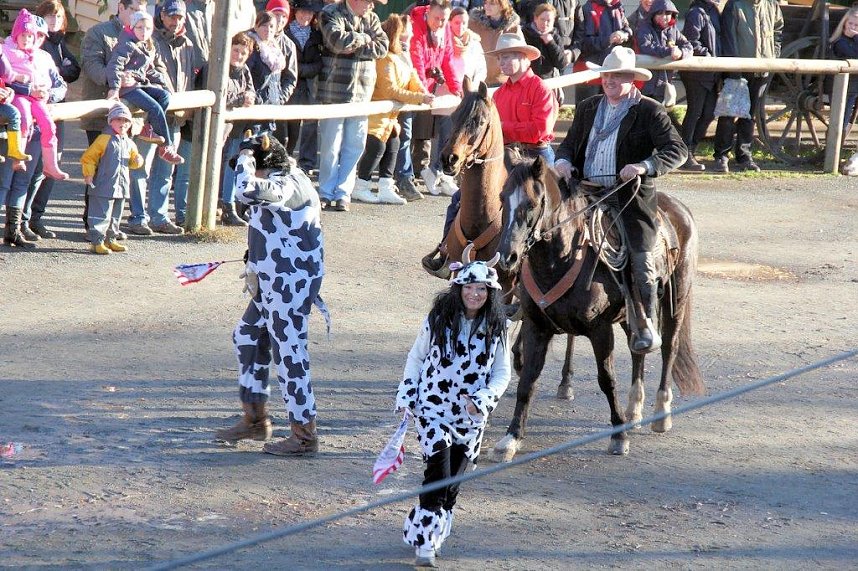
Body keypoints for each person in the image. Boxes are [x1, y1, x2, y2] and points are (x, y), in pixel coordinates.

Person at [553, 46, 686, 354]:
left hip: (627, 198)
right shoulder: (588, 107)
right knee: (541, 230)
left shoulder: (650, 110)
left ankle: (646, 321)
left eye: (617, 76)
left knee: (641, 254)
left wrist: (644, 166)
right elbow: (569, 145)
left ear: (633, 80)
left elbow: (677, 151)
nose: (610, 80)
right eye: (607, 75)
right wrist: (562, 161)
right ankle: (527, 301)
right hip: (584, 192)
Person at [215, 132, 327, 456]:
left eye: (253, 166)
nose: (250, 171)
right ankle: (254, 419)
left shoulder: (286, 184)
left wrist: (247, 156)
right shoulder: (282, 176)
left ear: (264, 166)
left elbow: (245, 189)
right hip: (275, 279)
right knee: (247, 336)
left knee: (290, 354)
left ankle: (304, 436)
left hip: (290, 282)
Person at [396, 256, 511, 568]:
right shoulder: (438, 319)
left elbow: (502, 374)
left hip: (472, 419)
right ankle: (426, 544)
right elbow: (416, 357)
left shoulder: (497, 328)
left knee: (452, 486)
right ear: (458, 288)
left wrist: (483, 400)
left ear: (491, 293)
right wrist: (407, 394)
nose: (475, 294)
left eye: (482, 289)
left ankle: (419, 529)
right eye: (469, 288)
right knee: (438, 474)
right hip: (433, 408)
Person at [80, 0, 148, 236]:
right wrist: (117, 80)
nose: (138, 15)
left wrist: (137, 79)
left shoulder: (144, 34)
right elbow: (92, 66)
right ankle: (93, 225)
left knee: (120, 172)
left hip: (129, 115)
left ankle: (112, 227)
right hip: (101, 114)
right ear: (120, 7)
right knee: (98, 173)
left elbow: (152, 68)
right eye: (133, 9)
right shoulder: (98, 33)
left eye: (141, 10)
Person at [316, 0, 389, 212]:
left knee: (354, 146)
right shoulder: (331, 12)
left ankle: (343, 193)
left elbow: (383, 47)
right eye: (369, 2)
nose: (372, 7)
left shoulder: (372, 19)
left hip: (362, 95)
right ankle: (325, 192)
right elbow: (337, 41)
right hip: (334, 93)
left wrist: (354, 44)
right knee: (330, 147)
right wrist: (365, 39)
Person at [354, 14, 433, 205]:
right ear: (399, 33)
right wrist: (420, 98)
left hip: (391, 118)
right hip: (377, 115)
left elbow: (413, 80)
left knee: (393, 145)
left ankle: (385, 186)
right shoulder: (385, 58)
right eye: (409, 30)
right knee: (376, 147)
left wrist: (424, 93)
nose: (412, 33)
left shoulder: (402, 57)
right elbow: (389, 89)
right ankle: (361, 185)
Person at [24, 0, 81, 240]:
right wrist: (59, 72)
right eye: (50, 17)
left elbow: (73, 71)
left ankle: (36, 217)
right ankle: (21, 219)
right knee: (32, 167)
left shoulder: (60, 43)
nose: (54, 22)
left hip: (57, 111)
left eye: (58, 18)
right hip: (36, 112)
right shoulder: (38, 43)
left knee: (52, 165)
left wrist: (59, 73)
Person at [713, 0, 783, 173]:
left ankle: (744, 156)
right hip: (738, 70)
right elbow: (728, 37)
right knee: (729, 114)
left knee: (750, 116)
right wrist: (734, 69)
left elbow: (778, 30)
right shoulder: (734, 5)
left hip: (762, 70)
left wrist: (773, 55)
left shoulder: (771, 5)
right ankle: (721, 155)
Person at [107, 10, 184, 166]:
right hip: (127, 88)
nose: (144, 32)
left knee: (164, 96)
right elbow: (114, 66)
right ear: (132, 27)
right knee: (155, 107)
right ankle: (166, 147)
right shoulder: (127, 44)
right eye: (140, 27)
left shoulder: (145, 45)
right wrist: (114, 88)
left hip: (140, 83)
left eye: (148, 28)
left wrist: (163, 84)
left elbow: (147, 70)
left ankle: (148, 127)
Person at [2, 9, 69, 180]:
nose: (27, 40)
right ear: (16, 35)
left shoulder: (41, 56)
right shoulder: (8, 52)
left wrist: (46, 92)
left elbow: (57, 82)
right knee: (23, 117)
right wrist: (28, 88)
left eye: (30, 36)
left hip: (38, 97)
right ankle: (18, 155)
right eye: (23, 35)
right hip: (19, 95)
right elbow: (8, 78)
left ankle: (50, 165)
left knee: (48, 124)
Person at [148, 0, 195, 234]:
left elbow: (189, 78)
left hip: (176, 117)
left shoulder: (187, 44)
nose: (175, 21)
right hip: (152, 116)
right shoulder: (152, 40)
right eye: (171, 16)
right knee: (143, 169)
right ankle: (138, 216)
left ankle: (158, 216)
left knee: (166, 171)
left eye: (179, 18)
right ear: (162, 16)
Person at [410, 0, 462, 197]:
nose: (440, 23)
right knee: (405, 134)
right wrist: (423, 91)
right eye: (436, 18)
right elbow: (417, 59)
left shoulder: (445, 29)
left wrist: (456, 88)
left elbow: (447, 59)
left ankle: (425, 173)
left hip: (429, 88)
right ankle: (402, 176)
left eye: (444, 19)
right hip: (412, 85)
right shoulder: (416, 25)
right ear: (427, 13)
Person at [80, 103, 145, 255]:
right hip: (102, 185)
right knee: (100, 214)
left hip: (121, 186)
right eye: (119, 120)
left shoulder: (129, 142)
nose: (122, 124)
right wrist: (89, 174)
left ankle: (111, 238)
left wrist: (137, 161)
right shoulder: (103, 139)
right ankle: (97, 241)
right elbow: (88, 158)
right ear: (111, 121)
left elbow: (133, 160)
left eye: (126, 121)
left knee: (116, 215)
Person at [219, 32, 257, 227]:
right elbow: (221, 98)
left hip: (237, 127)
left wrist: (249, 96)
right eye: (236, 50)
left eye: (244, 52)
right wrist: (241, 99)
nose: (239, 56)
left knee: (232, 166)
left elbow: (251, 90)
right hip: (219, 127)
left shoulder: (244, 71)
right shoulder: (220, 68)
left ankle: (229, 206)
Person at [679, 0, 721, 171]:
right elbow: (691, 42)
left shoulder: (714, 13)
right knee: (695, 112)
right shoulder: (696, 13)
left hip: (712, 71)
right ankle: (685, 152)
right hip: (697, 72)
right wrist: (707, 54)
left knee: (709, 113)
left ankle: (691, 148)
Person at [285, 0, 324, 174]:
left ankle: (307, 164)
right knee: (289, 127)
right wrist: (297, 70)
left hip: (310, 85)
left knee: (310, 126)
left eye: (309, 13)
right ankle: (285, 159)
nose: (306, 16)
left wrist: (302, 70)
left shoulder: (316, 35)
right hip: (290, 85)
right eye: (303, 12)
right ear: (296, 12)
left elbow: (320, 63)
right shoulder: (286, 33)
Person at [571, 0, 632, 101]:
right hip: (589, 73)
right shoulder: (587, 10)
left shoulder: (617, 7)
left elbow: (627, 29)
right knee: (587, 113)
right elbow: (582, 43)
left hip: (611, 72)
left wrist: (623, 34)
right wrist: (608, 40)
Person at [634, 0, 691, 106]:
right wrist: (669, 51)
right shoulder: (644, 27)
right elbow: (646, 47)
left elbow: (688, 47)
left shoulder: (673, 30)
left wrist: (681, 53)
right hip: (644, 83)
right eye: (660, 13)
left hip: (663, 85)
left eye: (668, 13)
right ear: (653, 14)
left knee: (659, 116)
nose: (664, 17)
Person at [521, 2, 570, 103]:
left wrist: (550, 43)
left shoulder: (555, 36)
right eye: (542, 19)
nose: (545, 23)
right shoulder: (525, 34)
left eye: (549, 20)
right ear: (535, 19)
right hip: (527, 84)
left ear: (554, 21)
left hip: (548, 84)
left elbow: (561, 63)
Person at [468, 0, 520, 87]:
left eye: (492, 3)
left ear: (502, 6)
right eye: (485, 3)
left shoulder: (513, 28)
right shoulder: (474, 23)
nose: (486, 6)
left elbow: (520, 55)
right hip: (478, 81)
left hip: (503, 81)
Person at [831, 8, 858, 134]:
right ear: (844, 23)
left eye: (856, 25)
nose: (852, 27)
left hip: (853, 87)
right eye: (850, 23)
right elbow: (853, 54)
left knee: (844, 120)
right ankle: (834, 144)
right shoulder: (840, 42)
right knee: (841, 121)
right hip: (844, 88)